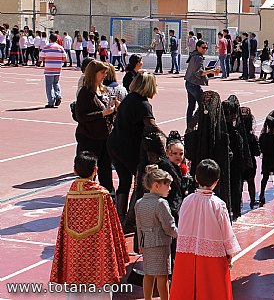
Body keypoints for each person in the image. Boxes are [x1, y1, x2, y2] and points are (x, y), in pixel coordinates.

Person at [50, 152, 128, 299]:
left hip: (75, 252)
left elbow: (63, 231)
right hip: (98, 250)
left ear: (74, 171)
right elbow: (113, 225)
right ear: (95, 171)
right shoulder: (102, 195)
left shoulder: (71, 195)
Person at [170, 160, 240, 300]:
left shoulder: (187, 200)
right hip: (213, 255)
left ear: (196, 178)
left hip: (187, 251)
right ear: (216, 181)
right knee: (213, 290)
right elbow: (226, 231)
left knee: (187, 289)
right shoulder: (218, 204)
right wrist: (230, 252)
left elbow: (182, 224)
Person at [107, 71, 160, 221]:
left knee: (125, 180)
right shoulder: (143, 104)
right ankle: (131, 217)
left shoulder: (129, 98)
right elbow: (152, 127)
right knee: (141, 180)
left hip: (114, 144)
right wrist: (167, 140)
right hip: (127, 147)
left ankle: (120, 215)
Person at [135, 165, 178, 300]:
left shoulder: (139, 202)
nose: (169, 188)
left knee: (148, 274)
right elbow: (169, 226)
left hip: (146, 243)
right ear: (156, 185)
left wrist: (140, 244)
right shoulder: (161, 203)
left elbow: (139, 226)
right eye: (167, 185)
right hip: (160, 243)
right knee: (162, 275)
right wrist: (179, 235)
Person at [75, 60, 116, 194]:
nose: (105, 75)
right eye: (102, 73)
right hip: (90, 137)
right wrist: (102, 113)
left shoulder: (101, 90)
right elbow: (81, 116)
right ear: (94, 74)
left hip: (104, 136)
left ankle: (108, 196)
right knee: (89, 170)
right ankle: (87, 196)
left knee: (105, 169)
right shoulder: (86, 93)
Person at [184, 40, 216, 125]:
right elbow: (199, 72)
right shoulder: (198, 57)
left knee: (191, 106)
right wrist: (211, 71)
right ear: (197, 47)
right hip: (194, 85)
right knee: (203, 105)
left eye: (206, 48)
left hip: (189, 83)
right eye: (203, 47)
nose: (204, 49)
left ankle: (189, 126)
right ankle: (202, 126)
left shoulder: (194, 55)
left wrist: (209, 72)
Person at [259, 111, 274, 206]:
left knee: (266, 177)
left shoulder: (264, 137)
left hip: (268, 160)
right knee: (273, 177)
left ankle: (263, 193)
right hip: (273, 159)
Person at [40, 33, 66, 108]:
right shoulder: (60, 48)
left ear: (50, 39)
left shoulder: (46, 47)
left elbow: (41, 58)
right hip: (57, 68)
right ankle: (58, 96)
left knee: (49, 85)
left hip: (49, 68)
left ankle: (51, 101)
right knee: (56, 83)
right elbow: (64, 58)